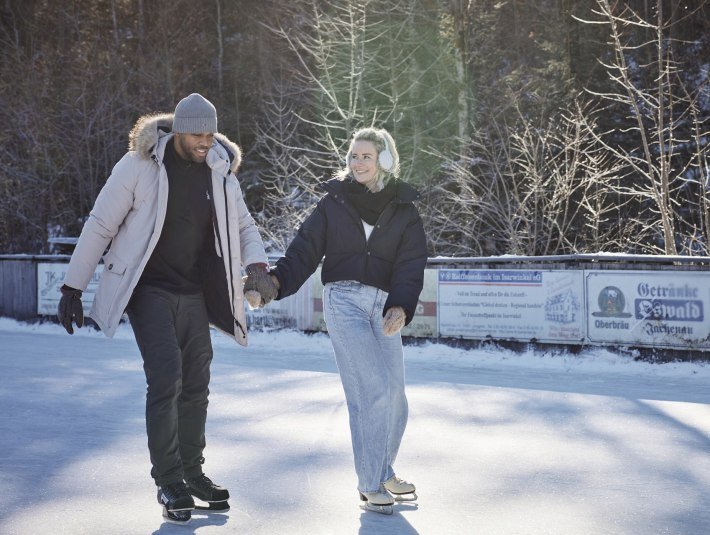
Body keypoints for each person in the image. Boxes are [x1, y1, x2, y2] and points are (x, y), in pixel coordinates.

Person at [57, 93, 279, 524]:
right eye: (198, 133)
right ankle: (168, 478)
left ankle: (192, 473)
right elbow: (101, 223)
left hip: (193, 290)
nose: (205, 141)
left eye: (211, 133)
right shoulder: (139, 166)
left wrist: (256, 265)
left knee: (197, 378)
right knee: (166, 376)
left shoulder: (218, 171)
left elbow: (244, 224)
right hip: (147, 289)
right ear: (179, 130)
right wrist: (72, 286)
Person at [268, 127, 428, 514]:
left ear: (384, 161)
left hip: (385, 304)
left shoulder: (404, 208)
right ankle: (370, 483)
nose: (357, 163)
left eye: (366, 156)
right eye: (353, 156)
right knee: (370, 391)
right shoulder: (333, 203)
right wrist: (276, 282)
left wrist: (401, 306)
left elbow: (411, 263)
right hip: (344, 301)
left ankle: (383, 468)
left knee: (395, 398)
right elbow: (304, 250)